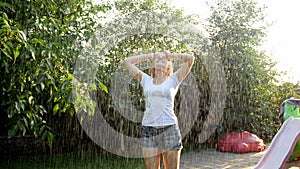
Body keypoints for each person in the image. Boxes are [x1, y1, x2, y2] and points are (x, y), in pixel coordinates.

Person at [124, 50, 195, 169]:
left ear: (168, 64)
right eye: (157, 58)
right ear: (152, 64)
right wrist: (149, 56)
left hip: (170, 129)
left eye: (164, 59)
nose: (160, 60)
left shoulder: (174, 79)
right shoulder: (146, 80)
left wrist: (172, 55)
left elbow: (190, 59)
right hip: (148, 131)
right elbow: (127, 62)